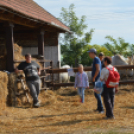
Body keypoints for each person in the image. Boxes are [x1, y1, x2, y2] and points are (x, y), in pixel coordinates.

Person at [88, 48, 104, 113]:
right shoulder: (95, 59)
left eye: (89, 53)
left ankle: (101, 109)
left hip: (97, 79)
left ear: (92, 53)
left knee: (97, 94)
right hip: (97, 79)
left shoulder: (96, 59)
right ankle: (99, 108)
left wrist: (94, 77)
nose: (89, 54)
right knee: (96, 93)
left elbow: (98, 69)